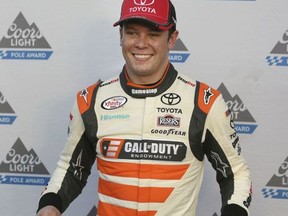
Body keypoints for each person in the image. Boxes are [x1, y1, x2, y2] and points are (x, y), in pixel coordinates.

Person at [36, 0, 252, 215]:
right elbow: (71, 169)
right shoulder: (91, 100)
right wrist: (50, 204)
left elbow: (235, 173)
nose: (141, 43)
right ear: (120, 36)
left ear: (172, 39)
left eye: (153, 34)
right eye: (132, 33)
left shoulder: (203, 103)